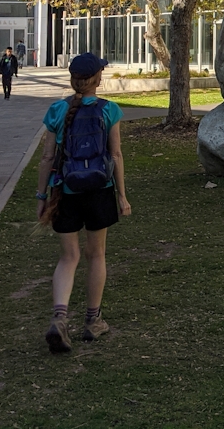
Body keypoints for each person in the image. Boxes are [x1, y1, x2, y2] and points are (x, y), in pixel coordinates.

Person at [35, 52, 131, 353]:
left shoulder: (56, 110)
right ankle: (93, 320)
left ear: (73, 80)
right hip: (99, 190)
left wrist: (41, 197)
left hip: (65, 191)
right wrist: (121, 195)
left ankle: (60, 318)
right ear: (98, 79)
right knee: (96, 254)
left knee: (68, 258)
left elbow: (48, 158)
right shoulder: (109, 110)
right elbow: (115, 156)